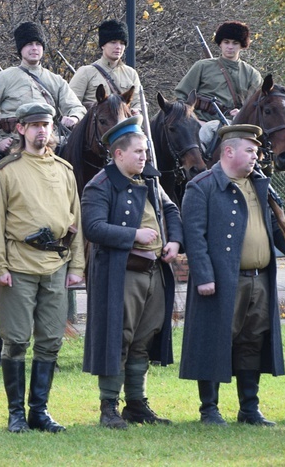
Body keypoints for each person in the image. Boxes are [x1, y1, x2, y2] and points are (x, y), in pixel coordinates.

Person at [180, 124, 285, 426]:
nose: (256, 157)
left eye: (257, 151)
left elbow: (274, 227)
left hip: (259, 279)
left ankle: (249, 408)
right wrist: (204, 276)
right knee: (215, 339)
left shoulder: (259, 184)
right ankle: (209, 409)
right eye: (250, 150)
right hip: (223, 280)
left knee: (253, 342)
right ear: (228, 151)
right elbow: (194, 237)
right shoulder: (202, 186)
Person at [0, 102, 85, 433]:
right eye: (35, 125)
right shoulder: (6, 171)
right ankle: (15, 413)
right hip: (18, 264)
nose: (42, 130)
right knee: (15, 340)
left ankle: (38, 411)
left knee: (51, 340)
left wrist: (77, 265)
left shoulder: (64, 170)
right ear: (21, 129)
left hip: (55, 264)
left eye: (46, 124)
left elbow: (77, 221)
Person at [81, 116, 182, 429]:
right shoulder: (99, 185)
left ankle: (136, 404)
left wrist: (175, 241)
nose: (144, 157)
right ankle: (108, 406)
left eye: (145, 152)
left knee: (143, 340)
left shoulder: (150, 181)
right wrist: (133, 235)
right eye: (138, 152)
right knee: (118, 339)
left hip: (153, 272)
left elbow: (170, 211)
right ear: (118, 154)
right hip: (120, 273)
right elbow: (93, 227)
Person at [0, 21, 86, 159]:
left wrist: (74, 117)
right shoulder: (4, 77)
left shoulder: (56, 80)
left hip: (50, 144)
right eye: (29, 44)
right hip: (13, 144)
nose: (34, 48)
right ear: (20, 48)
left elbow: (77, 107)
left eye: (38, 44)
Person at [175, 21, 263, 123]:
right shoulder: (202, 66)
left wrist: (241, 113)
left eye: (235, 43)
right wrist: (194, 121)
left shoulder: (252, 75)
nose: (230, 47)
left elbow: (258, 106)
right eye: (226, 42)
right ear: (220, 44)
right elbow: (182, 96)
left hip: (235, 126)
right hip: (199, 123)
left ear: (242, 46)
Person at [69, 19, 142, 113]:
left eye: (122, 43)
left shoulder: (131, 74)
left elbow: (139, 103)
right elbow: (71, 103)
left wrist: (137, 111)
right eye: (113, 42)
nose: (118, 47)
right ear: (103, 45)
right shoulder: (86, 72)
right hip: (94, 125)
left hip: (124, 125)